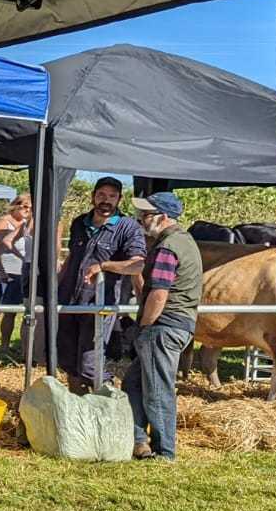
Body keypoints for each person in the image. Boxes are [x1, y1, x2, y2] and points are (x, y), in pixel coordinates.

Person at [122, 192, 202, 459]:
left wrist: (143, 328)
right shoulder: (183, 241)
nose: (141, 220)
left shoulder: (168, 248)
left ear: (164, 217)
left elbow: (159, 293)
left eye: (146, 215)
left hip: (163, 326)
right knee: (134, 383)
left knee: (157, 389)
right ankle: (137, 440)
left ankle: (164, 452)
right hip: (176, 324)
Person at [56, 176, 145, 393]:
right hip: (69, 300)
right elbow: (72, 257)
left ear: (119, 199)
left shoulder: (128, 227)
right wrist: (57, 284)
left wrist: (104, 266)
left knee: (90, 363)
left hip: (99, 304)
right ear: (93, 196)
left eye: (112, 196)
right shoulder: (79, 223)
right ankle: (77, 403)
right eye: (102, 195)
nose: (106, 200)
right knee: (67, 360)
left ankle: (108, 402)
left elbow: (137, 265)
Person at [0, 193, 32, 355]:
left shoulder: (26, 224)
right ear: (15, 205)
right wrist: (1, 271)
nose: (27, 209)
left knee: (10, 312)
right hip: (1, 272)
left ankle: (4, 346)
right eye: (24, 205)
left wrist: (23, 259)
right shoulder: (4, 222)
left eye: (30, 207)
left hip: (18, 272)